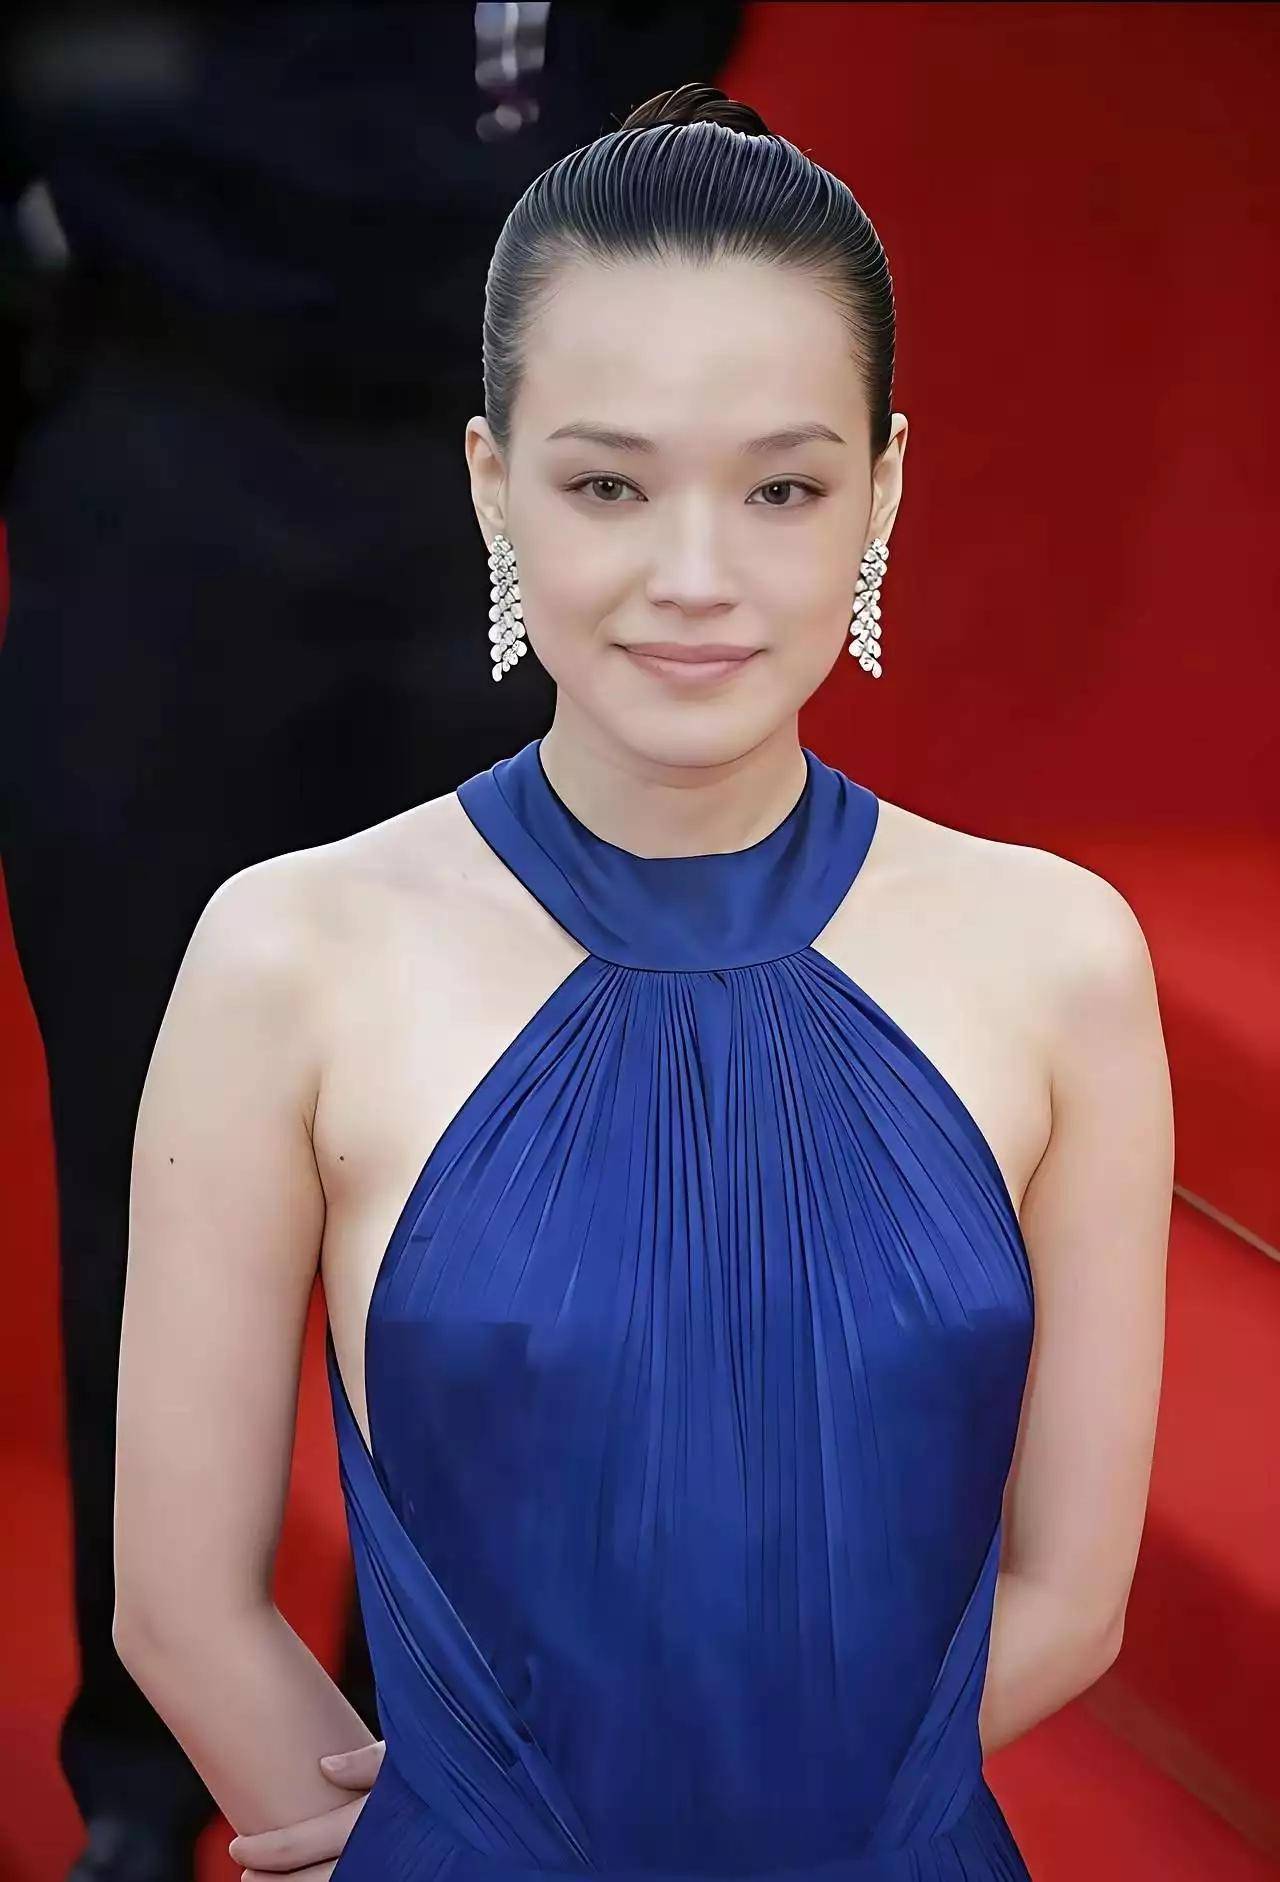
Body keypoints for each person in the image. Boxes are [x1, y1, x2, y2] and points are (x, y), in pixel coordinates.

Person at [112, 82, 1174, 1882]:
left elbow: (1073, 1594)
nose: (696, 577)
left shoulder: (1060, 956)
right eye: (610, 483)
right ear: (492, 483)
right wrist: (428, 1835)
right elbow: (179, 1602)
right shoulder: (288, 956)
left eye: (782, 488)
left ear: (884, 489)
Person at [0, 9, 743, 1878]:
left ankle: (422, 1756)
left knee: (500, 1173)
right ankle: (145, 1771)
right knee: (146, 1164)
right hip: (160, 442)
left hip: (494, 484)